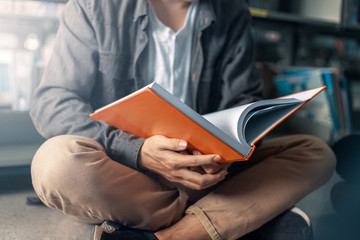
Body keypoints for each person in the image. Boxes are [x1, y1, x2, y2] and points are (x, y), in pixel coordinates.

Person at [30, 0, 336, 239]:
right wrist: (138, 151)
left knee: (315, 152)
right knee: (55, 164)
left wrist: (228, 149)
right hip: (126, 174)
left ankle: (173, 233)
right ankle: (227, 219)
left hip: (209, 173)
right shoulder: (94, 7)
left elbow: (244, 101)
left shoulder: (232, 11)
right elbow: (51, 103)